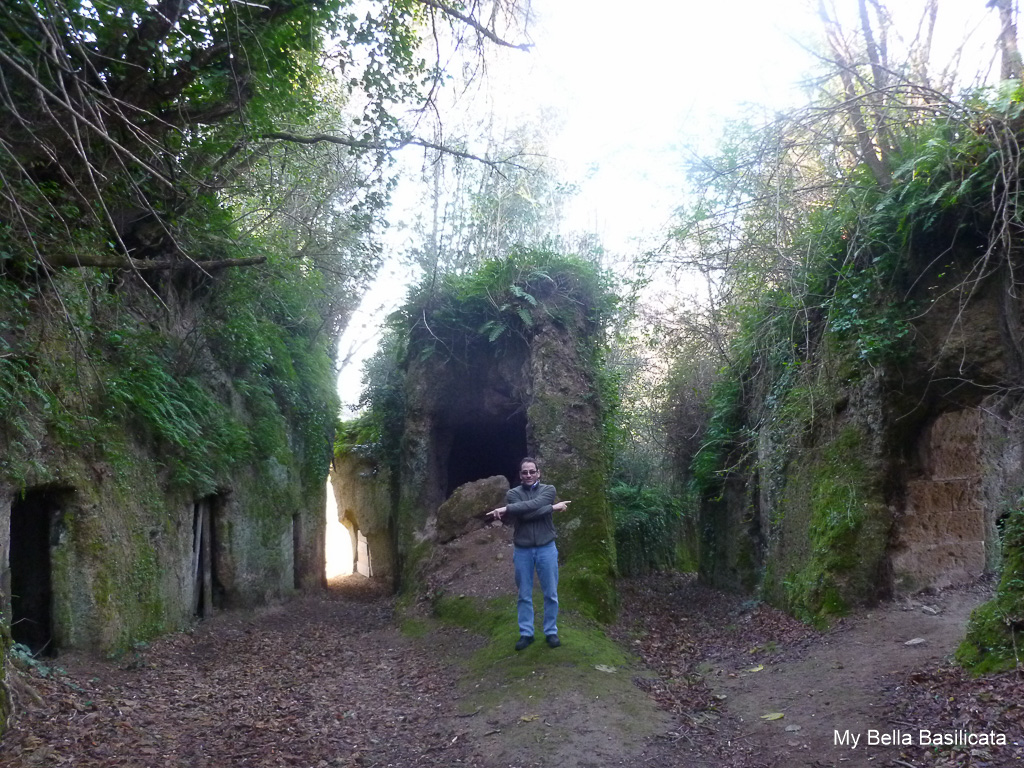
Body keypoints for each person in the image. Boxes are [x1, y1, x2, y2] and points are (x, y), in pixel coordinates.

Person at [487, 457, 571, 651]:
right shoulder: (513, 493)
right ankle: (526, 633)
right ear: (520, 475)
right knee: (524, 593)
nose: (529, 475)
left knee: (550, 592)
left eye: (532, 471)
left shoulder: (549, 490)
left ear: (538, 473)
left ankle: (551, 631)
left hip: (546, 547)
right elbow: (524, 514)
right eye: (525, 472)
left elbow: (533, 507)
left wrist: (507, 510)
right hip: (523, 549)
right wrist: (551, 508)